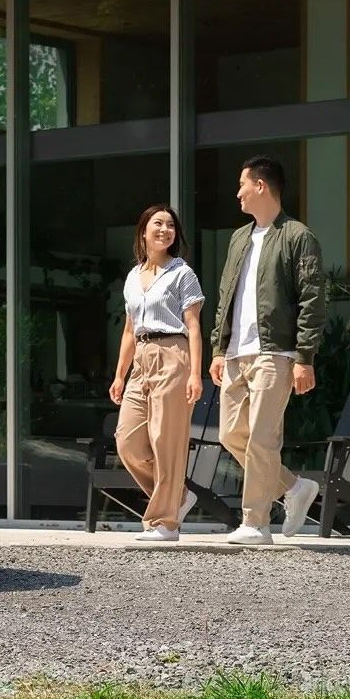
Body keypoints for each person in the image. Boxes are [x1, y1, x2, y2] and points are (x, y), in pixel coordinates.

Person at [208, 155, 327, 546]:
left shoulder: (297, 236)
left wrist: (304, 357)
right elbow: (227, 297)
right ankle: (293, 487)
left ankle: (255, 523)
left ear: (260, 185)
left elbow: (312, 299)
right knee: (230, 434)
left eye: (243, 184)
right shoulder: (239, 238)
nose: (238, 193)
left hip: (275, 353)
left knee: (261, 437)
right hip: (237, 354)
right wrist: (218, 349)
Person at [110, 205, 205, 542]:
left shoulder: (183, 274)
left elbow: (194, 327)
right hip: (141, 358)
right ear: (143, 232)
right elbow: (128, 329)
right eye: (158, 224)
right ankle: (177, 497)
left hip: (173, 355)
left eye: (170, 226)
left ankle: (165, 523)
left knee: (167, 441)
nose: (165, 230)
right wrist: (120, 375)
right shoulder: (133, 277)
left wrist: (195, 373)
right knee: (128, 441)